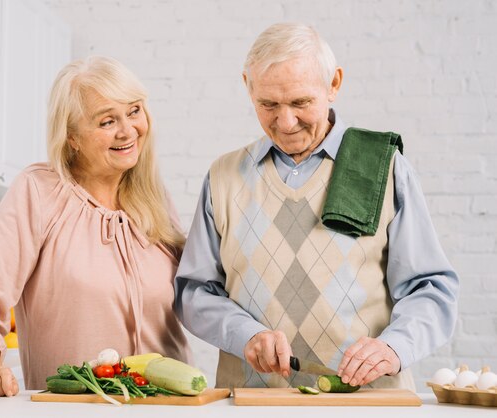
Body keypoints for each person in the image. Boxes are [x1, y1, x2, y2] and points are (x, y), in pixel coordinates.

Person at [174, 23, 459, 391]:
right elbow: (195, 290)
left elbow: (429, 285)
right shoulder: (223, 176)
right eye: (268, 104)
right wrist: (244, 334)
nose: (286, 121)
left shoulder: (382, 166)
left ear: (334, 84)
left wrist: (394, 346)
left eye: (300, 102)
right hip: (252, 402)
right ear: (248, 86)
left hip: (368, 402)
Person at [0, 56, 190, 396]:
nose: (128, 130)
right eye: (107, 121)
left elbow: (192, 296)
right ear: (72, 137)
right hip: (73, 406)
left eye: (134, 111)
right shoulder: (40, 190)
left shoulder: (155, 197)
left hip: (168, 404)